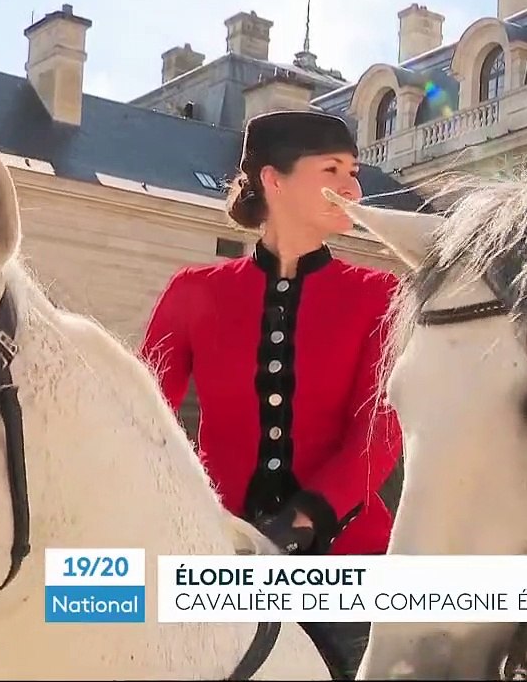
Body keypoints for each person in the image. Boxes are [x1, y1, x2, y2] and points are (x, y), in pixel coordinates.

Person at [140, 110, 403, 679]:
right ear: (274, 180)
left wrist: (307, 516)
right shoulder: (192, 292)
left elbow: (380, 431)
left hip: (351, 566)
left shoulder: (379, 295)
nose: (356, 189)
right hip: (219, 560)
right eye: (334, 169)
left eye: (355, 171)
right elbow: (145, 415)